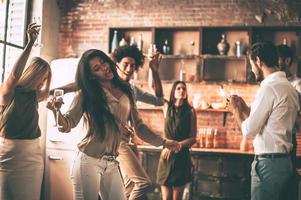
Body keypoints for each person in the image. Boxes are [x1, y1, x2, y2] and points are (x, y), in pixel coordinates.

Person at [46, 49, 179, 200]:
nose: (104, 67)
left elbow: (140, 127)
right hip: (88, 161)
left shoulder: (127, 90)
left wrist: (164, 142)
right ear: (91, 75)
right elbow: (67, 124)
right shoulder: (87, 94)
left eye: (103, 62)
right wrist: (56, 111)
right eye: (97, 68)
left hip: (111, 162)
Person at [227, 42, 299, 200]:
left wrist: (235, 111)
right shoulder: (290, 88)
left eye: (252, 64)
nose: (252, 69)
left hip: (268, 165)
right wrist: (246, 109)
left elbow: (249, 131)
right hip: (285, 163)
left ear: (258, 61)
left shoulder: (268, 88)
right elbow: (277, 121)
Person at [0, 23, 52, 200]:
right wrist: (30, 43)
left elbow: (58, 90)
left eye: (45, 79)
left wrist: (79, 84)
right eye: (41, 77)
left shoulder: (34, 96)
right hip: (8, 156)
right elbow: (14, 75)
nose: (42, 82)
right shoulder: (9, 92)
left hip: (32, 155)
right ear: (32, 74)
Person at [111, 44, 165, 200]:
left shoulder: (132, 89)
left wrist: (154, 70)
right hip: (113, 144)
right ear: (117, 64)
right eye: (125, 64)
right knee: (140, 183)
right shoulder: (109, 86)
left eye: (132, 65)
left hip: (129, 142)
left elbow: (159, 100)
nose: (129, 68)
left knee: (131, 187)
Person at [157, 81, 196, 200]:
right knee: (166, 198)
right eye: (178, 88)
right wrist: (154, 71)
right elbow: (157, 93)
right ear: (173, 91)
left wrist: (176, 145)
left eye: (184, 89)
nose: (181, 91)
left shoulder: (190, 111)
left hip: (181, 157)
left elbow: (193, 138)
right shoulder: (167, 107)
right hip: (166, 157)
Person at [277, 44, 300, 199]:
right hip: (271, 142)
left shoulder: (297, 85)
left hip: (287, 140)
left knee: (286, 189)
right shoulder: (271, 83)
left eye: (276, 59)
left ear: (287, 61)